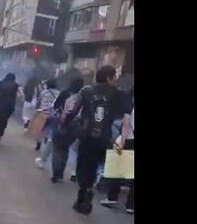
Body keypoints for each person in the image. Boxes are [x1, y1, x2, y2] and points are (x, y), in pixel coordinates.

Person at [66, 65, 129, 214]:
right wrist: (123, 140)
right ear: (108, 78)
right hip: (104, 138)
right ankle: (88, 191)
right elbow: (126, 118)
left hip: (87, 137)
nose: (116, 80)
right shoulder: (118, 94)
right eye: (114, 77)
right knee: (95, 167)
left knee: (83, 168)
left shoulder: (86, 91)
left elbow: (73, 110)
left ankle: (84, 193)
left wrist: (67, 123)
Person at [48, 76, 84, 182]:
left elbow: (55, 106)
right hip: (74, 127)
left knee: (57, 148)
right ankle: (61, 172)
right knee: (65, 149)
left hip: (60, 123)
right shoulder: (82, 97)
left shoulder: (64, 93)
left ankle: (56, 172)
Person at [102, 104, 133, 213]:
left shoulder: (130, 107)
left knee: (119, 170)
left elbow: (126, 125)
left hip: (129, 141)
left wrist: (122, 143)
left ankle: (112, 197)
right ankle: (131, 205)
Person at [33, 79, 60, 164]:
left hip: (43, 114)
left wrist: (37, 109)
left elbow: (38, 102)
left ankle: (39, 143)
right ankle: (46, 146)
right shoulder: (59, 93)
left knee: (40, 130)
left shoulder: (44, 92)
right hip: (54, 115)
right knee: (50, 133)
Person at [0, 73, 21, 145]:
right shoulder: (15, 85)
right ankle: (1, 132)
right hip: (9, 106)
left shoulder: (1, 83)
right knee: (4, 120)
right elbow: (20, 94)